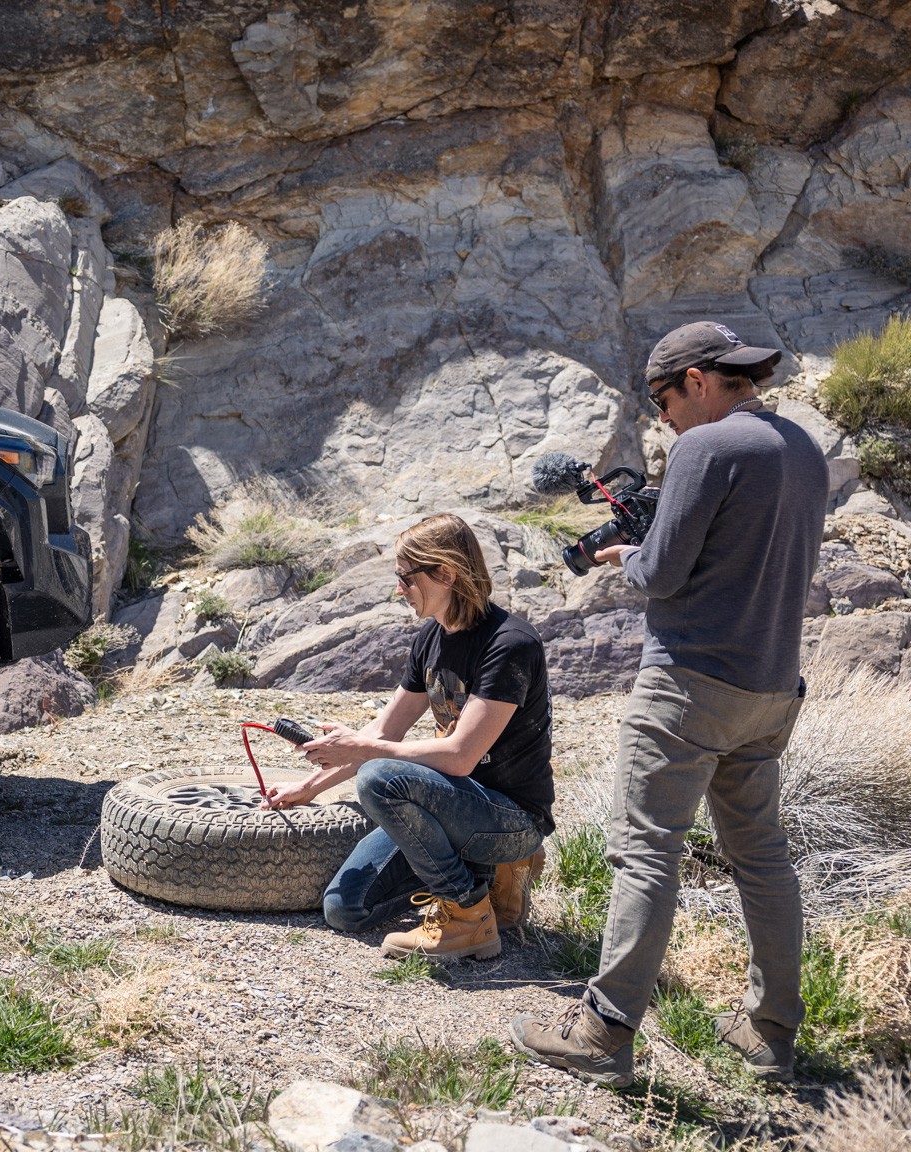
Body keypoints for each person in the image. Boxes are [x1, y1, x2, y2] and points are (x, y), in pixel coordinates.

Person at [510, 322, 827, 1085]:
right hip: (772, 688)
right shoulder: (804, 449)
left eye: (663, 398)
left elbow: (663, 574)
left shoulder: (705, 448)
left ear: (696, 380)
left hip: (690, 684)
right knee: (761, 856)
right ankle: (772, 1032)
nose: (663, 418)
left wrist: (626, 557)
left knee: (646, 850)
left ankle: (604, 1031)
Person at [263, 513, 554, 963]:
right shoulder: (430, 639)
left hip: (512, 820)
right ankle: (473, 877)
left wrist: (365, 750)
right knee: (346, 909)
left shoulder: (510, 643)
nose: (399, 589)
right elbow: (383, 731)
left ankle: (468, 913)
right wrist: (306, 789)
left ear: (446, 573)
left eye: (406, 577)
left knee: (380, 777)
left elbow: (458, 758)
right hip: (451, 809)